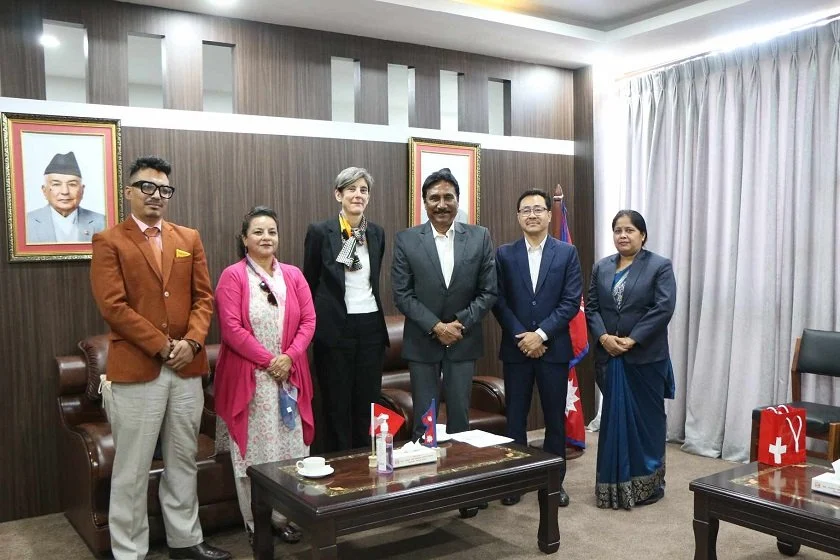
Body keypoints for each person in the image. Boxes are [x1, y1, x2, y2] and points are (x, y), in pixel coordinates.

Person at [90, 156, 230, 560]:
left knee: (183, 459)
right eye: (147, 187)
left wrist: (193, 342)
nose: (156, 195)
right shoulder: (109, 241)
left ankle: (185, 541)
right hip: (137, 369)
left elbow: (204, 298)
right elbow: (113, 306)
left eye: (164, 189)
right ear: (129, 192)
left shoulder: (188, 238)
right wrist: (163, 345)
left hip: (187, 368)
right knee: (132, 469)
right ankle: (129, 551)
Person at [213, 206, 316, 546]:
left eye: (271, 231)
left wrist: (289, 357)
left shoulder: (294, 275)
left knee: (291, 451)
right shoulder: (232, 276)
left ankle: (285, 518)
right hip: (252, 381)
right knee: (255, 456)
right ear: (244, 239)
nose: (266, 237)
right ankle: (256, 523)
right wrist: (270, 361)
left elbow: (309, 321)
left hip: (290, 377)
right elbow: (231, 329)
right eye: (258, 231)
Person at [392, 167, 497, 441]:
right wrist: (437, 327)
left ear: (457, 201)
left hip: (463, 340)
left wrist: (459, 324)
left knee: (460, 421)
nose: (441, 204)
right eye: (434, 198)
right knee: (424, 424)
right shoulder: (406, 239)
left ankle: (459, 469)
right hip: (422, 342)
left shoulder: (479, 237)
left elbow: (488, 291)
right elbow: (402, 294)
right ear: (424, 202)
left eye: (448, 197)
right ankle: (426, 467)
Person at [492, 189, 582, 507]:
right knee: (515, 419)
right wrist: (524, 337)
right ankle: (514, 482)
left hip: (553, 350)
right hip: (517, 351)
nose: (532, 215)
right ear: (518, 217)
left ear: (548, 214)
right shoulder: (504, 254)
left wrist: (541, 335)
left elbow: (570, 301)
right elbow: (498, 300)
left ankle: (553, 484)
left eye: (538, 209)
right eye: (525, 210)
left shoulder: (566, 253)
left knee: (554, 420)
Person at [586, 209, 677, 510]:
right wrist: (604, 338)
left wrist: (632, 339)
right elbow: (592, 308)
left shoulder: (659, 266)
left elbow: (663, 308)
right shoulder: (601, 267)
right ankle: (613, 486)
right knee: (615, 423)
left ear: (643, 235)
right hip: (610, 358)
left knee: (647, 424)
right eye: (618, 230)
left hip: (645, 359)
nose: (623, 235)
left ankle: (647, 484)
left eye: (629, 230)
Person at [303, 167, 389, 453]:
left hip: (370, 326)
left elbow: (372, 279)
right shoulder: (320, 232)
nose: (358, 195)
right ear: (338, 195)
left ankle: (366, 462)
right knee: (336, 405)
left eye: (363, 190)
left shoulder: (376, 233)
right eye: (351, 189)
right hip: (334, 329)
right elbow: (309, 281)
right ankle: (341, 465)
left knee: (367, 403)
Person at [27, 151, 106, 243]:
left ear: (82, 190)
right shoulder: (26, 223)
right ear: (44, 191)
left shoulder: (103, 222)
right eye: (56, 184)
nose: (65, 192)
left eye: (72, 184)